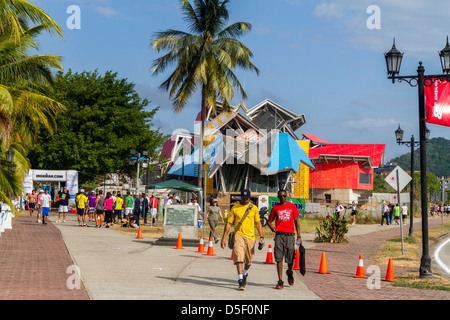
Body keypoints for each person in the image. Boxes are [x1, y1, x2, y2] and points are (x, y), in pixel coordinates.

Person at [221, 189, 264, 291]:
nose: (245, 200)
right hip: (238, 235)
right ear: (241, 197)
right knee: (238, 256)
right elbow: (229, 223)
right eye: (243, 198)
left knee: (248, 261)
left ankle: (245, 273)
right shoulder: (235, 208)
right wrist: (224, 237)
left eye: (247, 198)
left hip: (250, 237)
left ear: (249, 197)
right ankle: (240, 279)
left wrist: (261, 236)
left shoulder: (254, 208)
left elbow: (258, 223)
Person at [267, 189, 301, 289]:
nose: (282, 197)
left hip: (290, 235)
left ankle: (289, 272)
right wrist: (272, 227)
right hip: (279, 235)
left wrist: (299, 236)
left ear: (286, 196)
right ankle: (280, 280)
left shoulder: (292, 206)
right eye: (280, 196)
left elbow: (296, 222)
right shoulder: (275, 208)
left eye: (284, 196)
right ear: (278, 197)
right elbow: (269, 221)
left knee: (290, 257)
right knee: (278, 257)